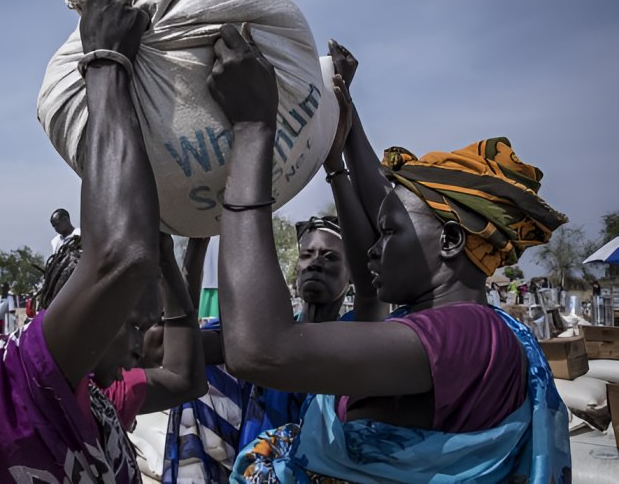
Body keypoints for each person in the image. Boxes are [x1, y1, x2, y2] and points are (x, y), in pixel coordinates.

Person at [206, 26, 571, 482]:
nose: (372, 249)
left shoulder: (463, 334)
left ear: (451, 241)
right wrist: (342, 133)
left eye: (388, 234)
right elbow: (390, 218)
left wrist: (253, 130)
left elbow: (259, 349)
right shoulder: (468, 328)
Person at [0, 0, 206, 483]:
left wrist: (175, 245)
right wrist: (106, 63)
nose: (143, 344)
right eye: (130, 324)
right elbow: (119, 257)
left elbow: (184, 378)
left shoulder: (100, 403)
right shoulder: (18, 384)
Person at [163, 218, 356, 482]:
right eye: (307, 255)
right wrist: (198, 240)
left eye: (330, 257)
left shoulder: (357, 338)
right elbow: (182, 350)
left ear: (352, 273)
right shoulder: (267, 335)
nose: (315, 263)